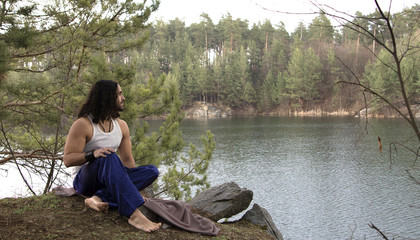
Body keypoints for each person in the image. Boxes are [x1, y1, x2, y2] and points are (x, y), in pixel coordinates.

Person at [63, 79, 161, 232]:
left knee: (151, 171)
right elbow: (68, 160)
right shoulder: (83, 124)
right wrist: (93, 154)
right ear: (107, 98)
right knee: (108, 155)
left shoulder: (121, 126)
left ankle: (98, 198)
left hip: (109, 180)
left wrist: (130, 188)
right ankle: (134, 214)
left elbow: (128, 161)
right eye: (119, 94)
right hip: (85, 181)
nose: (123, 98)